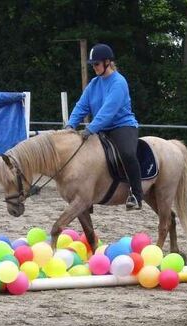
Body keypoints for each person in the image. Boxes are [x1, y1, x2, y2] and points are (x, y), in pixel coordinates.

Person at [66, 43, 143, 210]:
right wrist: (70, 125)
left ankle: (136, 194)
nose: (94, 67)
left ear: (108, 62)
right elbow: (81, 106)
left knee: (127, 154)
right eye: (92, 64)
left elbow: (108, 112)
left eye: (97, 64)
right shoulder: (93, 84)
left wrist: (90, 129)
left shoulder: (119, 82)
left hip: (122, 126)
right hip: (100, 128)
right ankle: (87, 197)